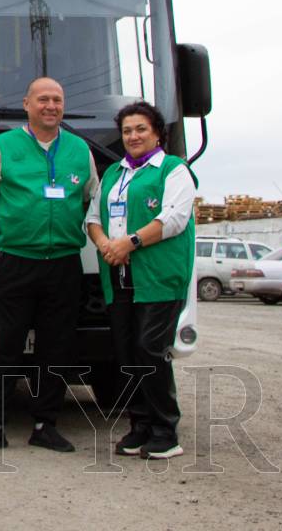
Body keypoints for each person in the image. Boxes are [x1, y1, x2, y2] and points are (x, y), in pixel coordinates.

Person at [0, 76, 100, 454]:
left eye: (57, 99)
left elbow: (92, 197)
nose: (51, 106)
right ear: (27, 104)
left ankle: (45, 425)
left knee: (56, 348)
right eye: (43, 99)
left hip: (64, 265)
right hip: (17, 263)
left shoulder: (79, 150)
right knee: (7, 345)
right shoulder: (4, 147)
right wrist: (14, 224)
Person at [85, 101, 195, 460]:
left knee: (150, 349)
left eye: (141, 129)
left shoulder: (173, 170)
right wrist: (106, 245)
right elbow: (92, 218)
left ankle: (166, 430)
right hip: (119, 275)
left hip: (158, 277)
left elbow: (174, 218)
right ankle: (139, 425)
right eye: (127, 131)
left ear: (157, 133)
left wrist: (129, 243)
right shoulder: (114, 175)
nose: (133, 136)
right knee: (127, 352)